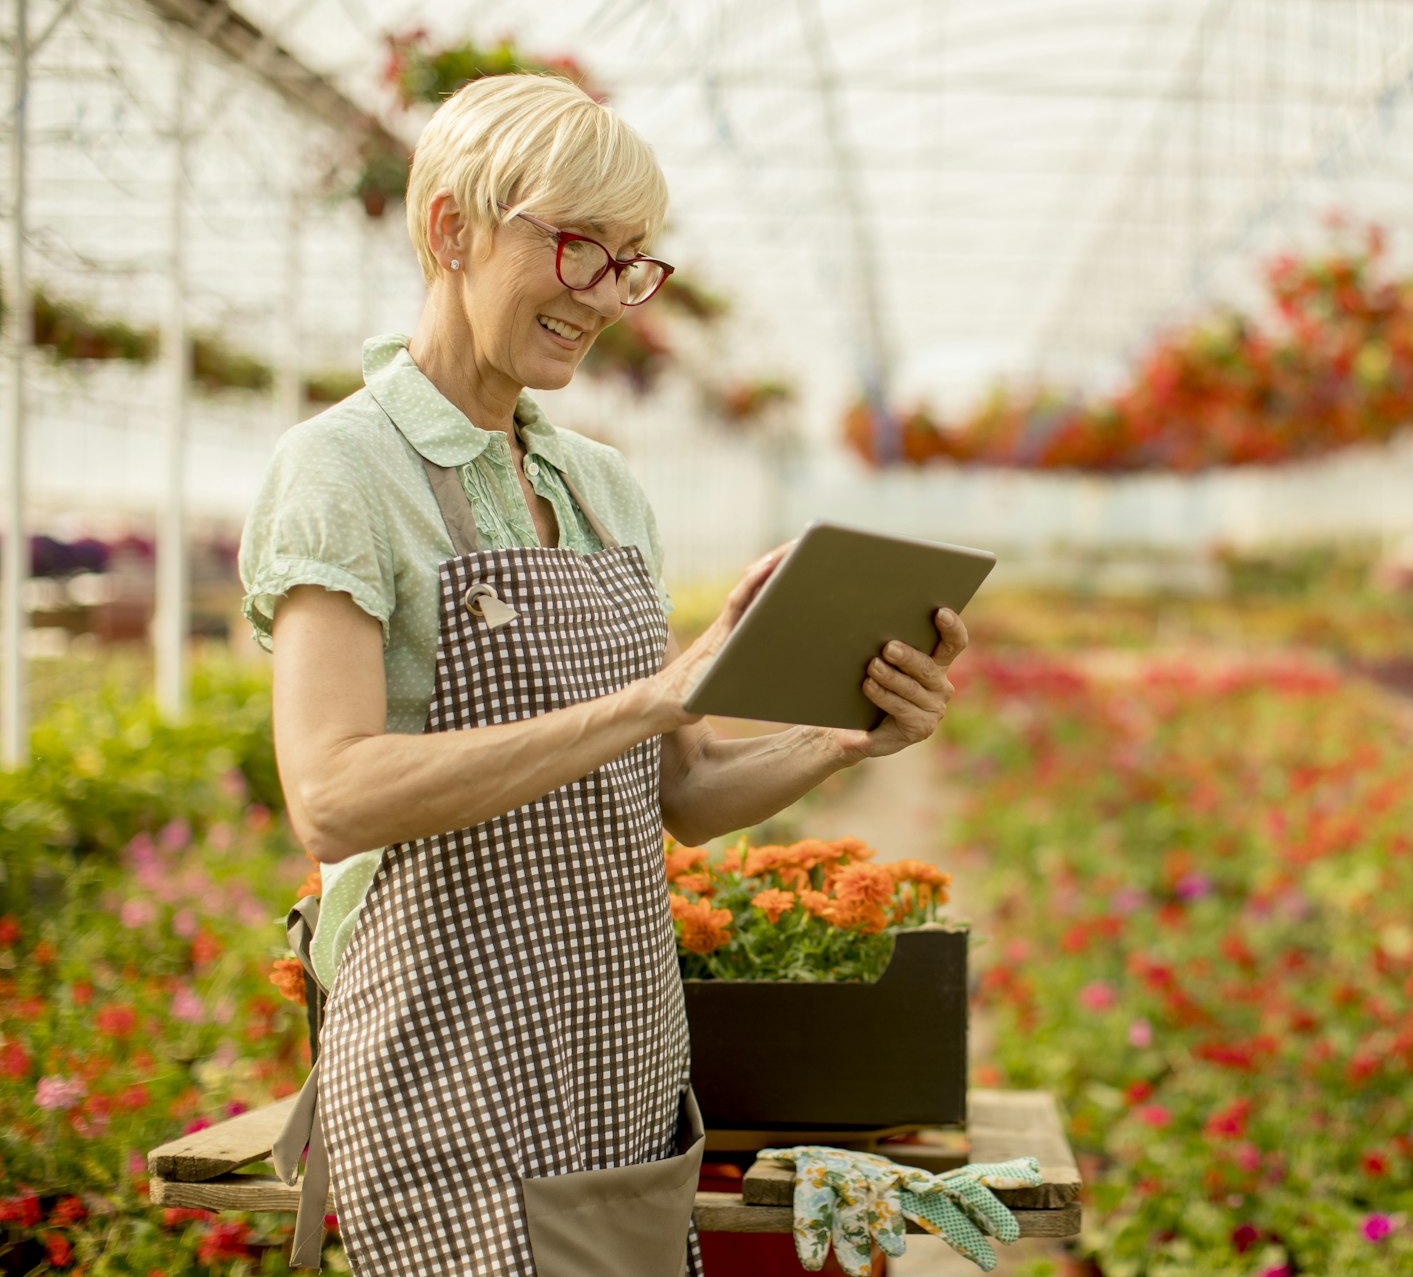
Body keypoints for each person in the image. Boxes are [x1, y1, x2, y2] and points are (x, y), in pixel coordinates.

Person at [237, 72, 968, 1276]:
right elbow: (332, 792)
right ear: (449, 230)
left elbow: (674, 789)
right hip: (444, 1075)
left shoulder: (602, 485)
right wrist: (650, 696)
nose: (610, 298)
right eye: (584, 250)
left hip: (624, 1059)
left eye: (635, 264)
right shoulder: (340, 470)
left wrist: (842, 737)